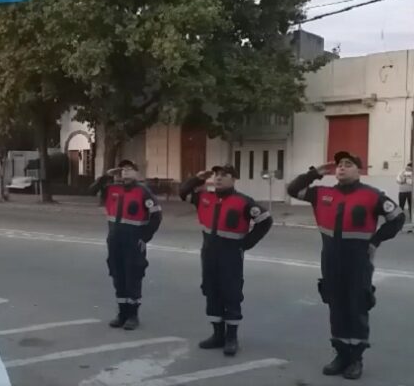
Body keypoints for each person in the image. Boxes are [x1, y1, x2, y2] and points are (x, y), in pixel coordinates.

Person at [287, 151, 405, 380]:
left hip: (358, 262)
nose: (341, 167)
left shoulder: (372, 196)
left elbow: (398, 218)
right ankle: (341, 355)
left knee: (357, 308)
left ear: (358, 170)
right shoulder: (322, 194)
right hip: (331, 262)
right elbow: (293, 189)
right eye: (339, 164)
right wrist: (316, 173)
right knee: (336, 308)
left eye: (348, 164)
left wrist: (375, 241)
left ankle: (356, 359)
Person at [178, 164, 273, 357]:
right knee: (211, 291)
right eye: (216, 175)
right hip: (209, 253)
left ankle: (231, 338)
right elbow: (183, 192)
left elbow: (265, 220)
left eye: (224, 175)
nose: (218, 178)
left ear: (234, 179)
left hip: (230, 254)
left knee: (231, 293)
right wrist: (197, 178)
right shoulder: (204, 197)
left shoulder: (244, 202)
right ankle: (217, 335)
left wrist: (247, 243)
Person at [104, 160, 162, 331]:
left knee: (133, 277)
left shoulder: (143, 192)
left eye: (129, 170)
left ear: (137, 173)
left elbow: (156, 216)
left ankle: (133, 315)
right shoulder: (113, 189)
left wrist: (144, 237)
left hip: (133, 242)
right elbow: (92, 191)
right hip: (115, 241)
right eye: (123, 170)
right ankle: (122, 313)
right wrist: (108, 176)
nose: (125, 173)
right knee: (118, 276)